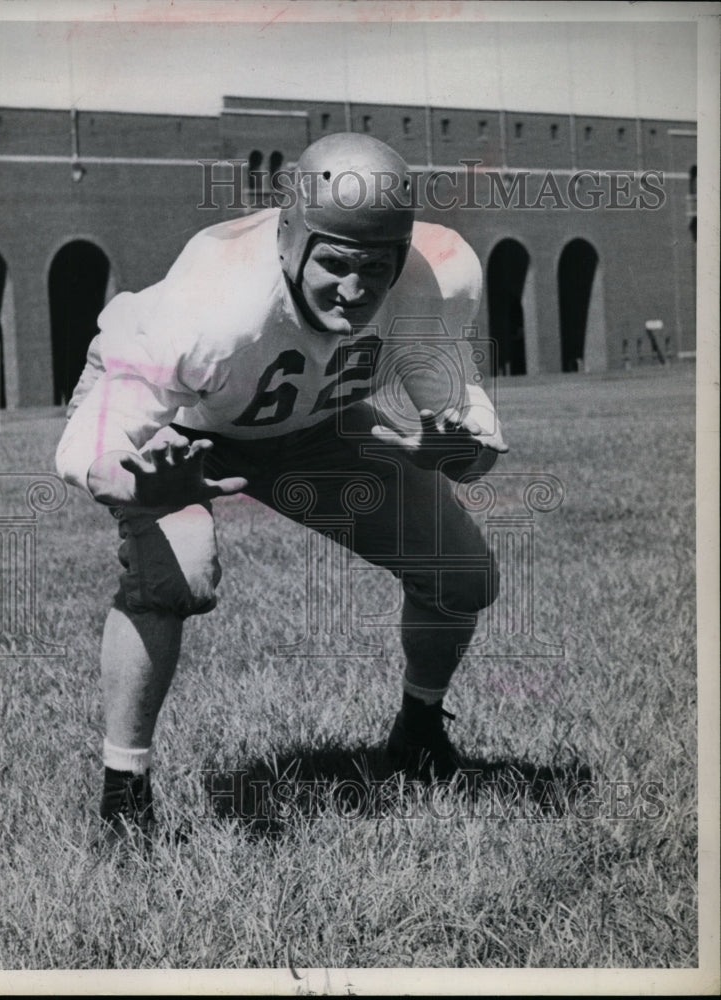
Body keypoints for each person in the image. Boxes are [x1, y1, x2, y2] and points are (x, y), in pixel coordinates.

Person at [56, 132, 507, 841]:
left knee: (462, 573)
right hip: (184, 428)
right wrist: (142, 483)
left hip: (314, 424)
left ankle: (418, 735)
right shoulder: (215, 305)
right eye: (335, 264)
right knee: (178, 574)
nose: (356, 290)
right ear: (292, 240)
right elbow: (89, 444)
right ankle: (124, 794)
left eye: (376, 267)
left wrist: (460, 449)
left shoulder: (431, 279)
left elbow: (469, 421)